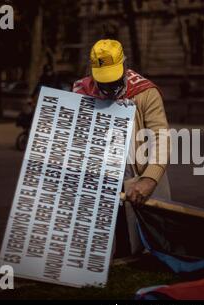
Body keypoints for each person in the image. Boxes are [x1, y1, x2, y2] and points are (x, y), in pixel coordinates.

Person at [72, 39, 171, 256]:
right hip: (100, 181)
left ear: (124, 66)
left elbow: (161, 139)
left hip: (138, 179)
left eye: (113, 77)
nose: (108, 86)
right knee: (108, 246)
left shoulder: (145, 92)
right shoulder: (81, 92)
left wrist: (149, 178)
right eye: (103, 79)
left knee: (144, 243)